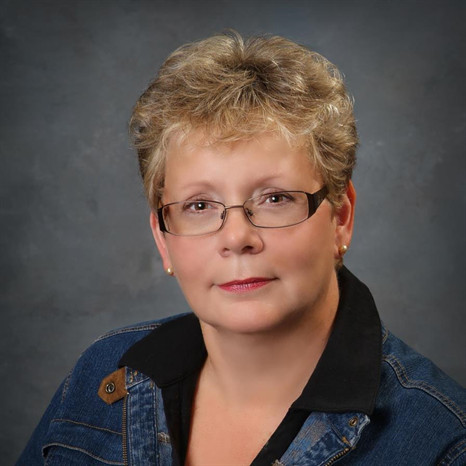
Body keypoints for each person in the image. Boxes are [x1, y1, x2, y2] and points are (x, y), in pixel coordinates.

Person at [18, 31, 465, 466]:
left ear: (341, 217)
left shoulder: (443, 445)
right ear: (163, 239)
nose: (236, 238)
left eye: (275, 198)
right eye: (198, 205)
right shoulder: (101, 377)